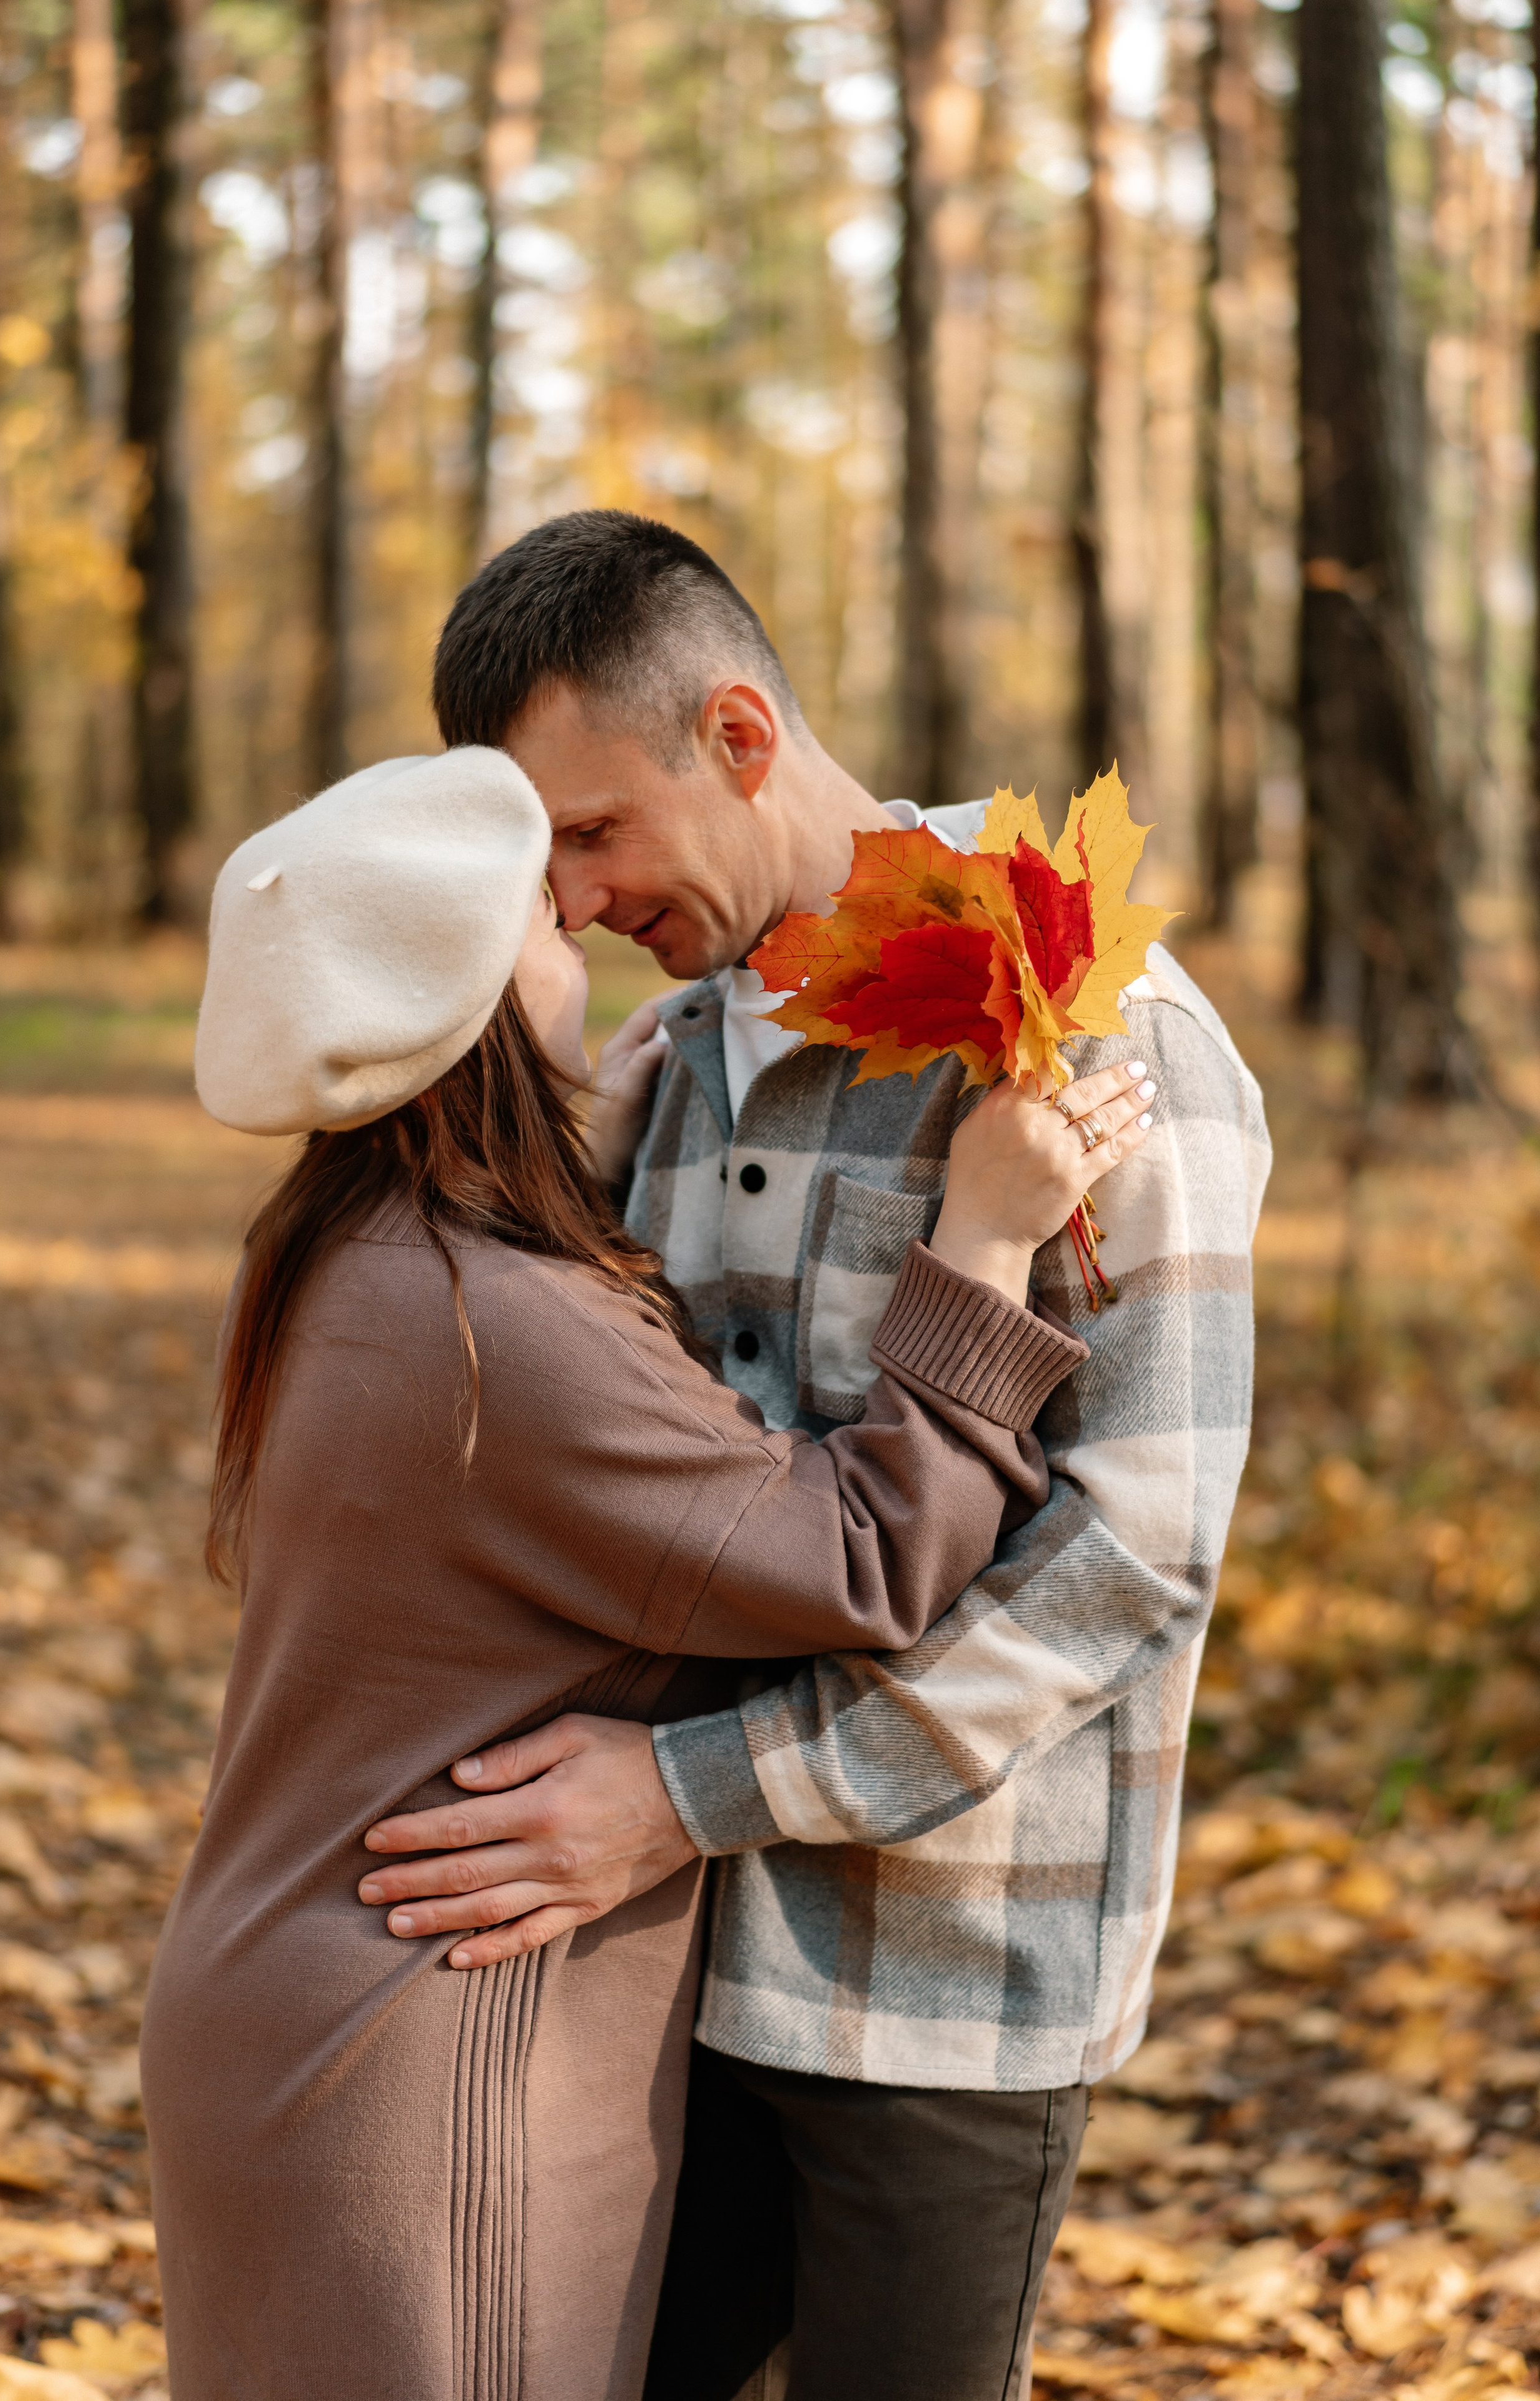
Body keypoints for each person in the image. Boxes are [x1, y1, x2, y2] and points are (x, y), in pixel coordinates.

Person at [360, 512, 1273, 2401]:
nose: (580, 903)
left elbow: (1134, 1554)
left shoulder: (1083, 1025)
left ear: (743, 737)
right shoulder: (672, 1058)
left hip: (943, 1984)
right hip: (659, 1968)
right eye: (545, 865)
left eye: (596, 835)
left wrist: (693, 1790)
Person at [138, 744, 1147, 2401]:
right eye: (545, 922)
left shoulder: (344, 1243)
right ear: (466, 1002)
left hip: (287, 2004)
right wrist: (978, 1245)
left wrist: (588, 1120)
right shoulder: (494, 1331)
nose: (587, 932)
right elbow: (861, 1559)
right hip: (419, 2054)